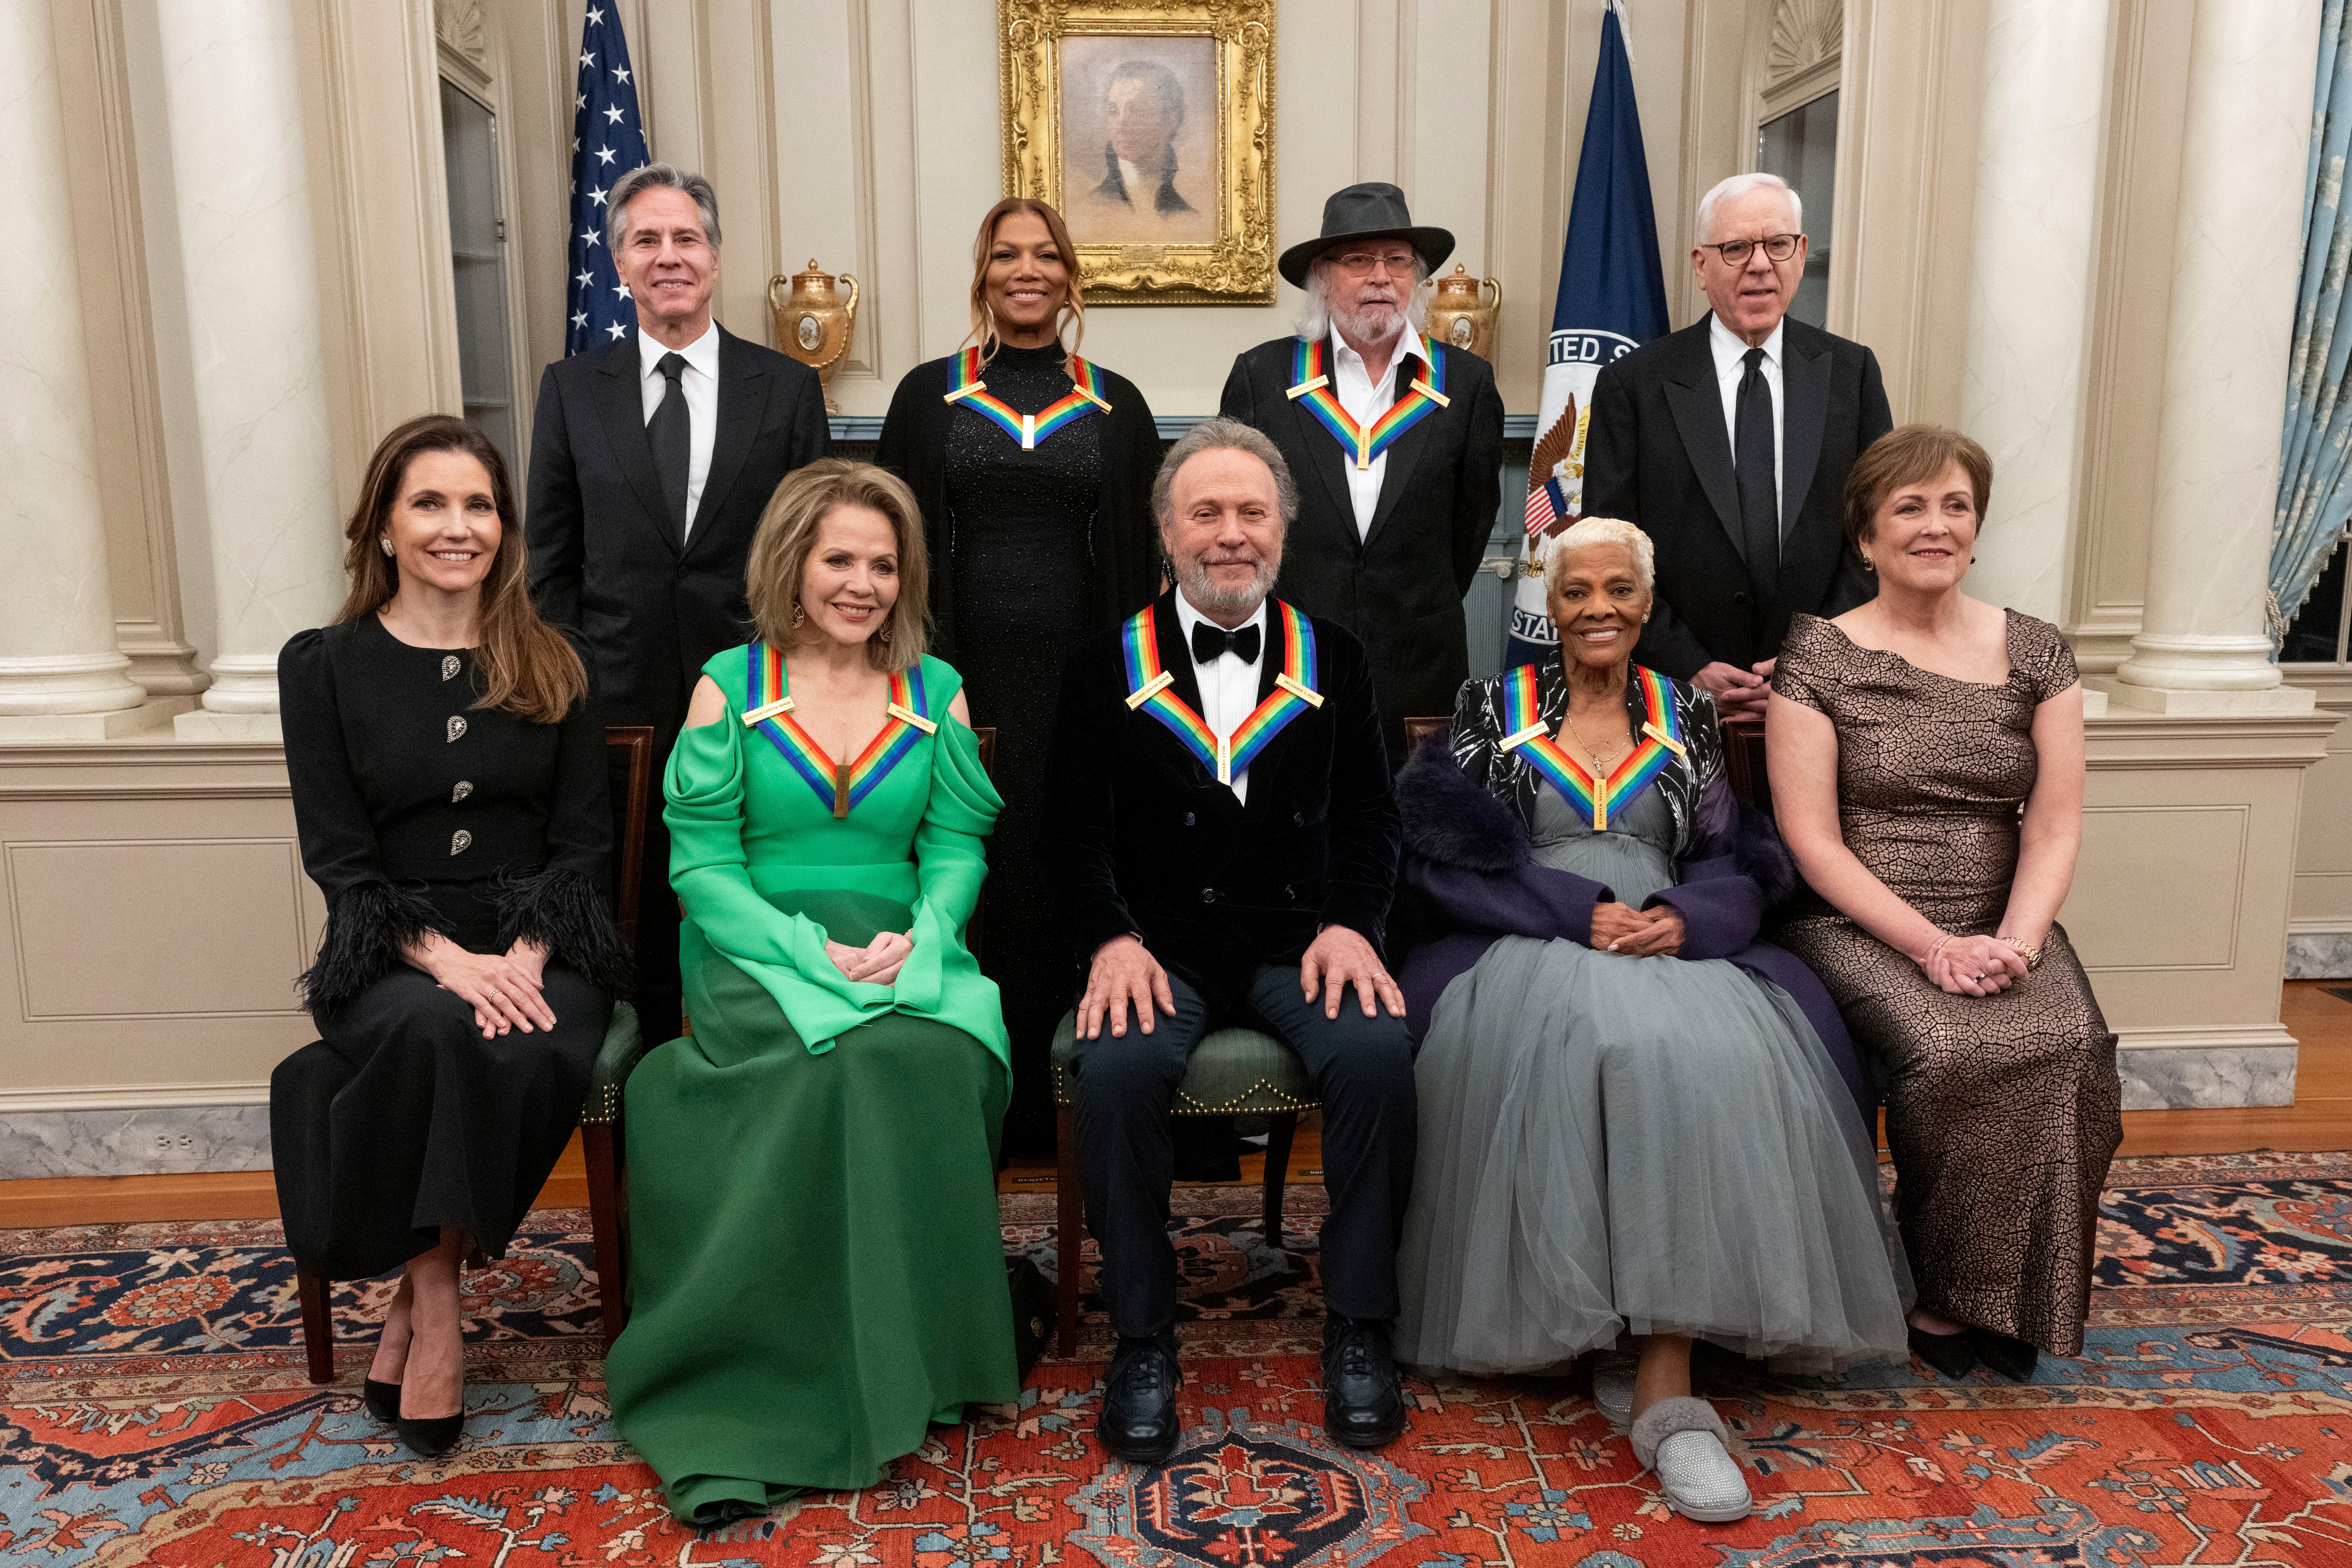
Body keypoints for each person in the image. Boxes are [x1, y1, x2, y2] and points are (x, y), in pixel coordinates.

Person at [1393, 516, 1908, 1524]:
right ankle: (1598, 1326)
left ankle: (1665, 1376)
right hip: (1522, 938)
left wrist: (1683, 919)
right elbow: (1438, 862)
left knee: (1711, 1050)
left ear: (1644, 601)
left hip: (1667, 936)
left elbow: (1735, 857)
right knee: (1611, 1046)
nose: (1595, 608)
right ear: (1545, 600)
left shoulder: (1687, 716)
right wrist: (1572, 914)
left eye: (1617, 590)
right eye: (1575, 590)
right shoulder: (1484, 708)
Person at [603, 460, 1016, 1525]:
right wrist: (798, 951)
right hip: (753, 955)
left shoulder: (939, 690)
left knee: (928, 1054)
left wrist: (920, 938)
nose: (862, 583)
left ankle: (915, 1353)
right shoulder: (727, 685)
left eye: (884, 564)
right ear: (793, 561)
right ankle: (786, 1360)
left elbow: (957, 845)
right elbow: (700, 867)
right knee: (823, 1065)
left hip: (903, 951)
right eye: (840, 558)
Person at [1044, 419, 1418, 1463]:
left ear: (1282, 529)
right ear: (1165, 531)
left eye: (1251, 512)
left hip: (1299, 941)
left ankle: (1358, 1321)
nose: (1230, 534)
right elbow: (1068, 837)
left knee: (1379, 1057)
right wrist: (1110, 939)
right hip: (1157, 948)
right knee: (1112, 1071)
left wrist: (1353, 924)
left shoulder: (1332, 658)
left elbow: (1371, 822)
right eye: (1205, 512)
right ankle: (1142, 1337)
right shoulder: (1100, 666)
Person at [271, 415, 630, 1459]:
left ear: (504, 529)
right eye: (429, 503)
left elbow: (580, 844)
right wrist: (449, 962)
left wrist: (521, 958)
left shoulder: (552, 659)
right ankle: (434, 1299)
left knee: (533, 1037)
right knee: (436, 1030)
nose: (456, 526)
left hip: (541, 945)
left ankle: (412, 1303)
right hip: (389, 948)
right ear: (384, 525)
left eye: (478, 505)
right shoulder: (323, 666)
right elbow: (341, 859)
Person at [1768, 424, 2119, 1385]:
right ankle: (1939, 1287)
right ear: (1866, 537)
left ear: (1976, 526)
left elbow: (2050, 827)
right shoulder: (1818, 655)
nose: (1935, 526)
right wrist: (1932, 949)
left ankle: (2002, 1298)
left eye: (1954, 505)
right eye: (1908, 509)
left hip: (2005, 916)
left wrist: (2014, 941)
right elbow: (1812, 841)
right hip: (1861, 919)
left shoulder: (2038, 650)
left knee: (2071, 1049)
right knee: (1958, 1050)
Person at [875, 198, 1161, 1158]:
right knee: (975, 861)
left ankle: (1070, 1102)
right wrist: (922, 678)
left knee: (1064, 852)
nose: (1025, 270)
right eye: (1006, 255)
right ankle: (973, 1098)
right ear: (982, 274)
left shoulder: (1114, 402)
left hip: (1083, 681)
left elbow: (1132, 558)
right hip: (961, 680)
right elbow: (895, 554)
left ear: (1070, 276)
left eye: (1044, 255)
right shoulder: (929, 396)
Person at [528, 162, 831, 1043]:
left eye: (686, 238)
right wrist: (575, 678)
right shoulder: (571, 391)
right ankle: (652, 1086)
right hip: (612, 702)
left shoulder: (785, 388)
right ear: (618, 263)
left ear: (716, 256)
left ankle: (762, 1068)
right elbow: (550, 558)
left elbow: (814, 553)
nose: (668, 256)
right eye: (646, 240)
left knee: (753, 889)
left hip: (754, 696)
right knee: (635, 909)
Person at [1581, 172, 1893, 719]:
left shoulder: (1852, 373)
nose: (1759, 264)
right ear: (1701, 266)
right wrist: (1687, 662)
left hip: (1822, 701)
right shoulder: (1633, 385)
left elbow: (1879, 533)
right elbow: (1609, 550)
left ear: (1799, 255)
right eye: (1736, 248)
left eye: (1777, 245)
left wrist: (1814, 660)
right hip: (1673, 698)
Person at [1220, 182, 1505, 760]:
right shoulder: (1262, 377)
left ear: (1416, 276)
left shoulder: (1467, 384)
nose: (1381, 276)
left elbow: (1470, 527)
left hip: (1422, 666)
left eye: (1397, 260)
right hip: (1290, 659)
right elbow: (1236, 520)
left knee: (1417, 833)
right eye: (1358, 260)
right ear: (1322, 277)